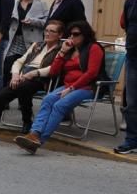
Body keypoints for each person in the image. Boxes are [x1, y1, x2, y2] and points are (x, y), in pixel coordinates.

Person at [14, 20, 105, 154]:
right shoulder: (70, 49)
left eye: (76, 34)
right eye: (70, 34)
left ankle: (39, 140)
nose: (72, 37)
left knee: (59, 105)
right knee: (48, 99)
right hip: (68, 86)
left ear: (85, 35)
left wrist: (72, 88)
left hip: (87, 87)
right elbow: (54, 71)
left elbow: (91, 73)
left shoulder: (94, 48)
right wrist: (62, 52)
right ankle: (34, 133)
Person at [0, 20, 65, 143]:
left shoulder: (61, 49)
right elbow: (19, 61)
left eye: (52, 31)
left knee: (23, 88)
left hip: (42, 79)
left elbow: (53, 68)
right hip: (23, 77)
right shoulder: (37, 45)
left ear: (60, 35)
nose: (47, 34)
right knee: (0, 97)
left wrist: (34, 73)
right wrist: (15, 75)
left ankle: (27, 121)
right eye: (46, 30)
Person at [2, 0, 48, 86]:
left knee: (25, 69)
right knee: (7, 66)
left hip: (31, 41)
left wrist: (33, 21)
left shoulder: (41, 4)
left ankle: (23, 101)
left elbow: (47, 22)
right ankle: (5, 98)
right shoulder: (14, 2)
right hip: (13, 39)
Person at [116, 0, 137, 154]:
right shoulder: (130, 1)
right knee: (131, 103)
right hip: (133, 57)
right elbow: (125, 24)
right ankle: (132, 140)